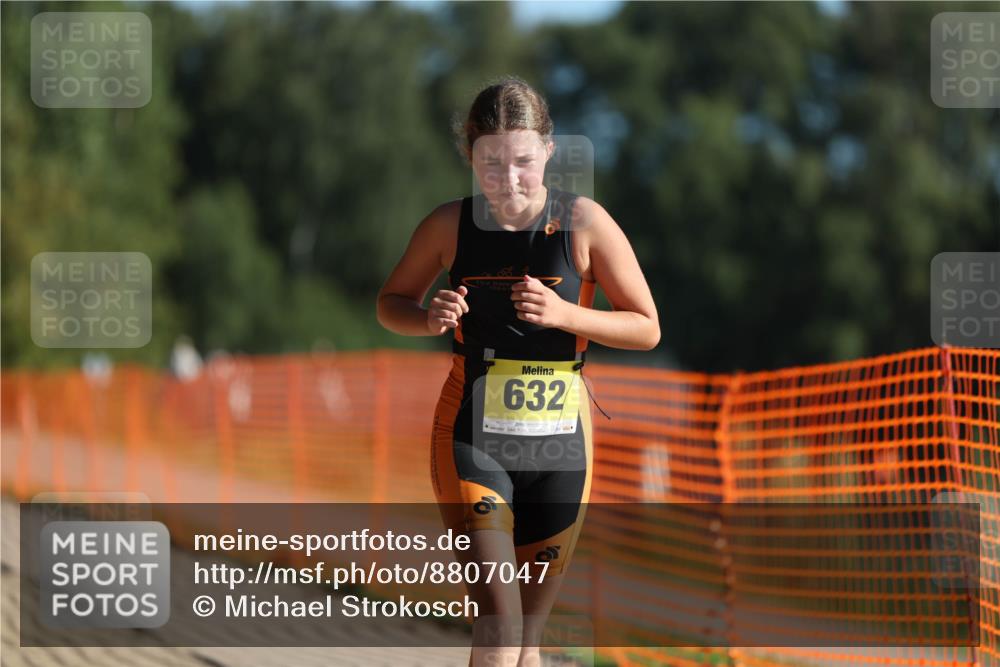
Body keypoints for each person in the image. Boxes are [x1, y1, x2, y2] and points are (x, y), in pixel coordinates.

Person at [376, 76, 659, 667]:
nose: (508, 179)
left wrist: (565, 313)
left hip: (561, 450)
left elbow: (646, 326)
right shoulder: (448, 225)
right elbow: (390, 304)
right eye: (492, 163)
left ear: (548, 152)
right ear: (469, 156)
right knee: (500, 628)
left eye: (523, 162)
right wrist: (428, 319)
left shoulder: (583, 222)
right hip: (473, 438)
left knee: (528, 644)